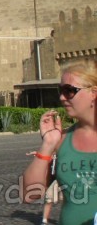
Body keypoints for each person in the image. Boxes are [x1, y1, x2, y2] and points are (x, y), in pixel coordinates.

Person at [23, 59, 97, 225]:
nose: (62, 97)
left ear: (93, 93)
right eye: (60, 90)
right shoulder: (62, 139)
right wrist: (48, 144)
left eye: (69, 90)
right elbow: (29, 194)